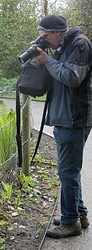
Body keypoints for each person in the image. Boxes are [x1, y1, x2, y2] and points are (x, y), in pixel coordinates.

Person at [34, 15, 92, 238]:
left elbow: (71, 77)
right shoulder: (63, 46)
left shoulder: (80, 44)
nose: (45, 41)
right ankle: (79, 214)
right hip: (64, 117)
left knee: (67, 171)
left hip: (74, 118)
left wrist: (47, 61)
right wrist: (44, 60)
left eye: (46, 37)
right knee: (69, 171)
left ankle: (70, 223)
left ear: (58, 32)